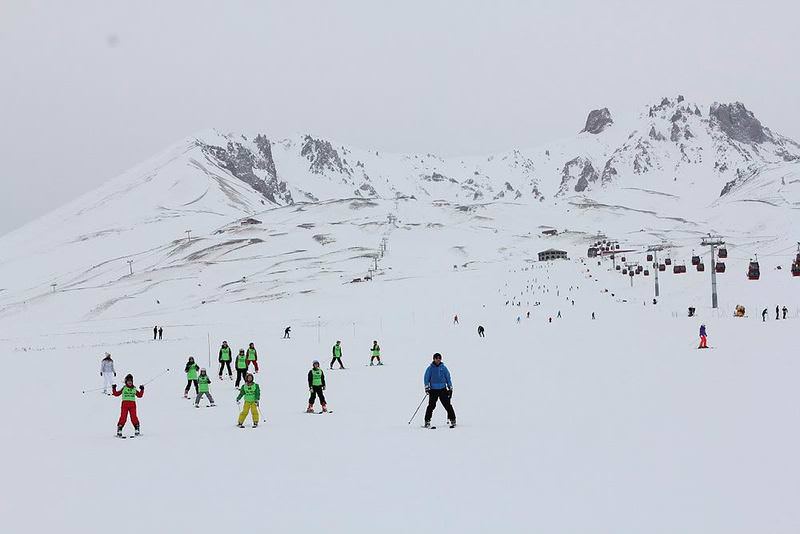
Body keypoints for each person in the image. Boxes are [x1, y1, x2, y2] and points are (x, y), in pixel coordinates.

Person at [423, 353, 456, 428]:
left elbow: (448, 377)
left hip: (443, 390)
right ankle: (427, 421)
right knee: (431, 406)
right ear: (434, 359)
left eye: (439, 358)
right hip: (433, 390)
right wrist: (427, 387)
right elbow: (426, 378)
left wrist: (450, 387)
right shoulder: (430, 368)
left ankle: (453, 419)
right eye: (436, 358)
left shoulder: (443, 368)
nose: (438, 360)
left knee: (447, 405)